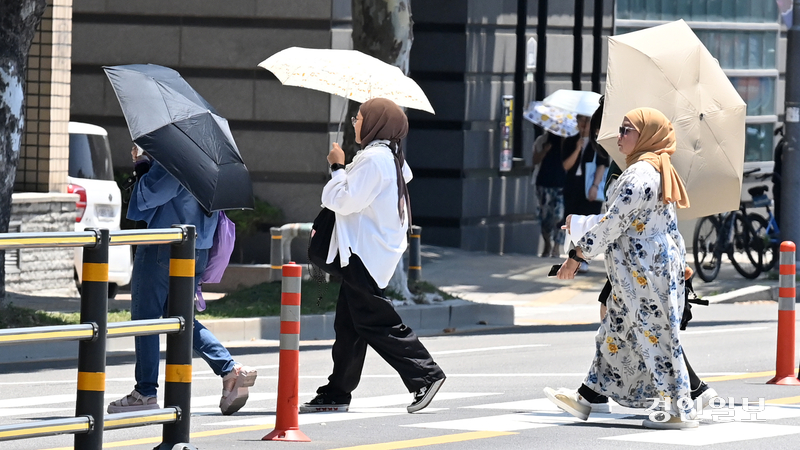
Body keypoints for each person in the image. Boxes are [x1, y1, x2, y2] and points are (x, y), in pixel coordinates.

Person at [544, 107, 698, 429]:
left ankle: (678, 410)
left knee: (658, 337)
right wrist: (681, 263)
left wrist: (577, 255)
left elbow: (612, 224)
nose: (619, 135)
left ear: (645, 136)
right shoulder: (657, 170)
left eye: (627, 130)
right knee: (615, 333)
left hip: (643, 275)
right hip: (637, 275)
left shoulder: (640, 175)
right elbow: (669, 227)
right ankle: (586, 398)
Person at [300, 98, 446, 414]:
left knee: (375, 322)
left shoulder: (375, 160)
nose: (355, 121)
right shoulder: (388, 158)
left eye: (360, 116)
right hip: (369, 252)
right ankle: (337, 390)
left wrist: (337, 166)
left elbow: (343, 200)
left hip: (361, 253)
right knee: (350, 326)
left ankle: (425, 374)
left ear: (376, 123)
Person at [108, 145, 256, 416]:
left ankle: (145, 392)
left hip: (163, 244)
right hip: (198, 246)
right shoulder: (211, 158)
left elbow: (148, 196)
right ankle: (229, 370)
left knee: (146, 317)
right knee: (178, 315)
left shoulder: (176, 156)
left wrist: (142, 162)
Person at [561, 112, 608, 270]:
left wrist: (595, 186)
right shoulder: (570, 141)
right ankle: (572, 256)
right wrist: (577, 149)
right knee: (572, 221)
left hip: (589, 188)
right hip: (573, 186)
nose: (584, 123)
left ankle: (584, 259)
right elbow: (566, 166)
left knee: (588, 222)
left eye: (587, 120)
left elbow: (602, 165)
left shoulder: (598, 143)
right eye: (581, 119)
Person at [532, 131, 566, 257]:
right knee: (544, 217)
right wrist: (544, 150)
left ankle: (556, 246)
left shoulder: (567, 140)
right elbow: (534, 160)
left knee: (559, 216)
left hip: (561, 184)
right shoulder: (542, 140)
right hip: (543, 183)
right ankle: (547, 243)